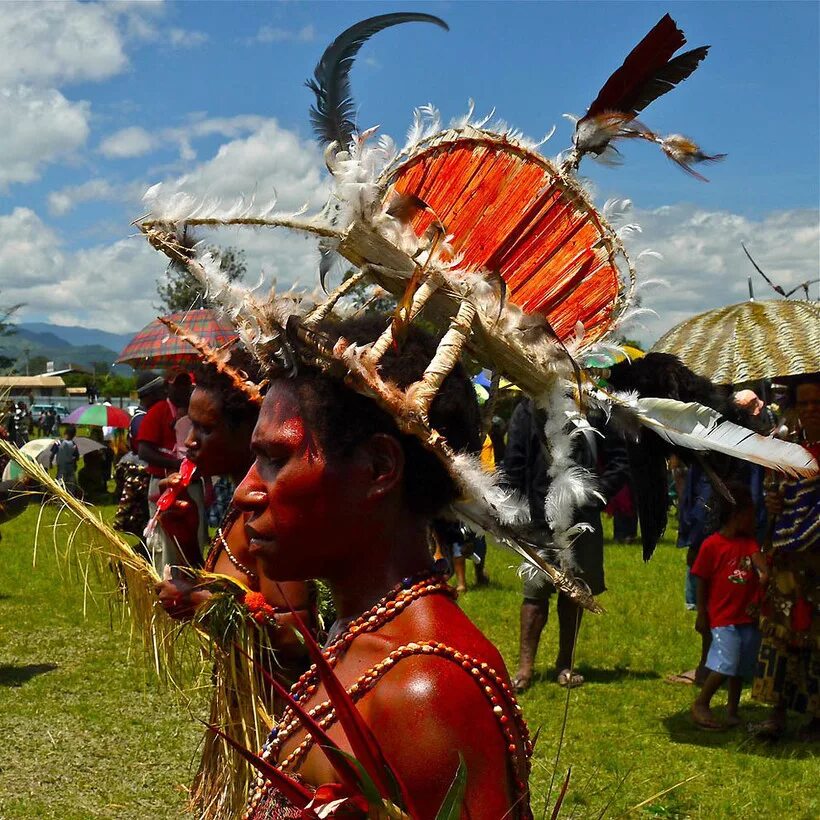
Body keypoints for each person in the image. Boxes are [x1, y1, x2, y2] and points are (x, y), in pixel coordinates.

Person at [239, 316, 531, 819]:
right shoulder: (361, 633)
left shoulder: (425, 691)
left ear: (378, 469)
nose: (246, 491)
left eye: (275, 458)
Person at [153, 348, 312, 818]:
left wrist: (200, 603)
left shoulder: (270, 515)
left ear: (249, 433)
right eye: (189, 426)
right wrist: (182, 536)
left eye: (206, 429)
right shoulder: (237, 505)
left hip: (282, 731)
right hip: (247, 722)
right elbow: (229, 587)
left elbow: (297, 634)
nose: (190, 442)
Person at [505, 397, 629, 691]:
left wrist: (592, 495)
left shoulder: (595, 407)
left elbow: (619, 461)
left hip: (581, 517)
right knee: (534, 594)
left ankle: (565, 664)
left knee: (574, 592)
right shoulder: (527, 406)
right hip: (537, 518)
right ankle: (525, 668)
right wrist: (512, 510)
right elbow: (513, 462)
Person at [751, 375, 820, 741]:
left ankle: (815, 715)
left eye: (817, 404)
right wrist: (773, 501)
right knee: (782, 632)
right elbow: (771, 491)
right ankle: (777, 712)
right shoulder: (785, 446)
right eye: (804, 403)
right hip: (788, 556)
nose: (810, 410)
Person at [690, 484, 766, 730]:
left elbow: (761, 566)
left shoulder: (750, 544)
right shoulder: (712, 545)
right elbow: (701, 579)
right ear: (736, 516)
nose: (754, 519)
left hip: (747, 617)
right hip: (723, 618)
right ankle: (702, 702)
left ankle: (733, 711)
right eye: (750, 514)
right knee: (726, 662)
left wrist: (764, 571)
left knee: (740, 667)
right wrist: (702, 612)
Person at [137, 368, 204, 569]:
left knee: (195, 537)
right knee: (164, 541)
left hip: (192, 485)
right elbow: (144, 452)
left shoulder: (197, 413)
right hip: (163, 485)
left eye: (187, 385)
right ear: (168, 386)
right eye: (179, 384)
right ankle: (165, 585)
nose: (184, 389)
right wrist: (178, 465)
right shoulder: (159, 411)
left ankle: (193, 584)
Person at [49, 424, 80, 495]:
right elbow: (77, 456)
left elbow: (52, 453)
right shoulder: (73, 444)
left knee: (60, 481)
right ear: (74, 435)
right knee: (70, 482)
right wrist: (75, 463)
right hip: (70, 466)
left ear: (65, 433)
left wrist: (50, 462)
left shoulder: (59, 442)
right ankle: (70, 497)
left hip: (61, 466)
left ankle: (59, 498)